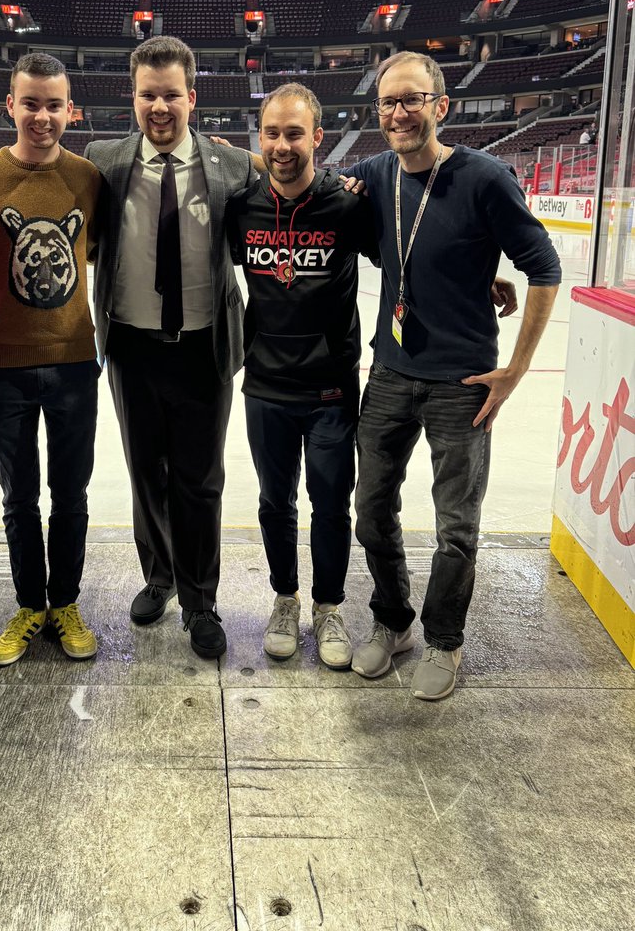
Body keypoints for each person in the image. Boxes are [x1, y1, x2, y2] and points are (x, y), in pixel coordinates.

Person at [346, 51, 561, 700]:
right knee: (370, 511)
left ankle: (444, 639)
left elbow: (545, 268)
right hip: (390, 373)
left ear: (441, 105)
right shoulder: (373, 173)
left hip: (462, 384)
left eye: (412, 99)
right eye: (388, 102)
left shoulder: (485, 177)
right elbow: (305, 183)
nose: (399, 113)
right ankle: (393, 621)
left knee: (456, 529)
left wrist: (514, 371)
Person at [83, 36, 256, 659]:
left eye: (171, 95)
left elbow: (296, 194)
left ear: (192, 98)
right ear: (133, 98)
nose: (160, 107)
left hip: (204, 347)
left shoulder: (232, 167)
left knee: (200, 480)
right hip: (131, 346)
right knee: (145, 473)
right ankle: (159, 576)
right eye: (148, 95)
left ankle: (201, 599)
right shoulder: (102, 161)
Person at [0, 53, 103, 664]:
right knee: (19, 500)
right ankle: (28, 605)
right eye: (31, 104)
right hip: (2, 367)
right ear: (10, 106)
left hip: (74, 364)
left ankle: (64, 602)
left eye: (53, 105)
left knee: (71, 496)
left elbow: (109, 251)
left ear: (71, 111)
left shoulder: (89, 178)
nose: (42, 116)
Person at [226, 83, 379, 668]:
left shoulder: (347, 203)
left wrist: (479, 275)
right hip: (266, 384)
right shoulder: (242, 208)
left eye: (294, 133)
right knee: (275, 501)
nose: (282, 145)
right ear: (259, 137)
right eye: (271, 133)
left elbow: (403, 257)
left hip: (330, 388)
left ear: (317, 137)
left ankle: (329, 606)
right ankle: (285, 598)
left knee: (332, 503)